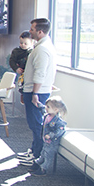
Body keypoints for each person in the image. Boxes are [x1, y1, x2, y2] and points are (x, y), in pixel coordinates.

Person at [17, 18, 57, 164]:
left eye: (32, 29)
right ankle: (34, 150)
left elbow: (40, 73)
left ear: (40, 32)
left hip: (36, 92)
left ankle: (37, 155)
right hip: (36, 91)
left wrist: (35, 94)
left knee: (36, 124)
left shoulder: (42, 49)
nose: (30, 31)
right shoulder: (42, 46)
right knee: (35, 123)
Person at [20, 96, 67, 176]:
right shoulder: (47, 116)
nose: (46, 108)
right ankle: (37, 164)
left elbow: (60, 130)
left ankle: (43, 169)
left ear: (56, 110)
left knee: (47, 156)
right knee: (43, 154)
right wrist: (38, 104)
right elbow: (42, 110)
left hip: (51, 143)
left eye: (48, 107)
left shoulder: (58, 121)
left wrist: (50, 135)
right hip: (45, 142)